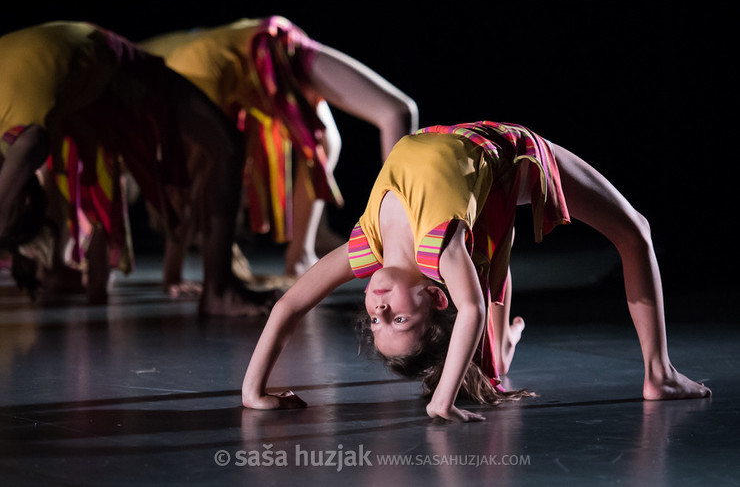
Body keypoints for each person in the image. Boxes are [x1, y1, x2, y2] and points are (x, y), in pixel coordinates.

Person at [241, 120, 711, 422]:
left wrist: (252, 391)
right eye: (398, 319)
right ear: (434, 297)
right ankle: (659, 374)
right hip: (513, 156)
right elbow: (471, 309)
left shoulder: (368, 248)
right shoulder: (436, 251)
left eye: (376, 320)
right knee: (637, 232)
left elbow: (290, 303)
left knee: (487, 267)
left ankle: (497, 352)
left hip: (471, 156)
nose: (380, 308)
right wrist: (439, 401)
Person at [0, 21, 271, 315]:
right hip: (88, 70)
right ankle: (219, 291)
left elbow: (32, 144)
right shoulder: (23, 130)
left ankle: (219, 291)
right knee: (225, 144)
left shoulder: (25, 137)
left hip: (111, 61)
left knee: (225, 145)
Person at [140, 16, 418, 280]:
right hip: (245, 68)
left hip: (271, 49)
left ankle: (390, 249)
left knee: (393, 114)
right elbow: (188, 189)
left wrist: (172, 275)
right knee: (333, 138)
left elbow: (189, 186)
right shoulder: (168, 80)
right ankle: (308, 253)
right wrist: (172, 275)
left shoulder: (169, 88)